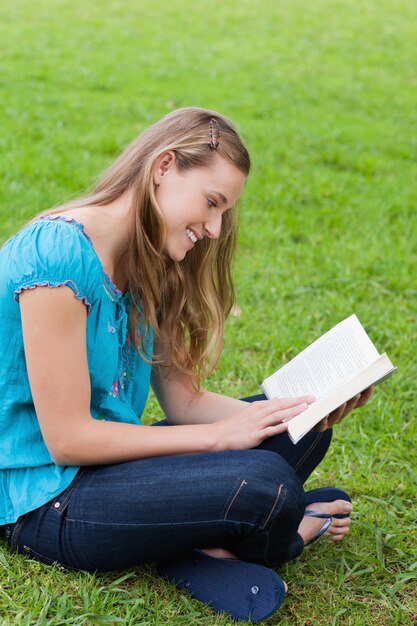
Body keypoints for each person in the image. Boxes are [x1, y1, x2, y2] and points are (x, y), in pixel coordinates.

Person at [0, 108, 373, 622]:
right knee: (266, 483)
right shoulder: (55, 256)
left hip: (112, 469)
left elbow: (185, 404)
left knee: (303, 435)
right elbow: (68, 439)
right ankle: (279, 541)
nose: (216, 229)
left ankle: (187, 540)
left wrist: (307, 407)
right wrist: (221, 440)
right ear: (164, 167)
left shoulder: (152, 260)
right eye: (212, 203)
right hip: (44, 501)